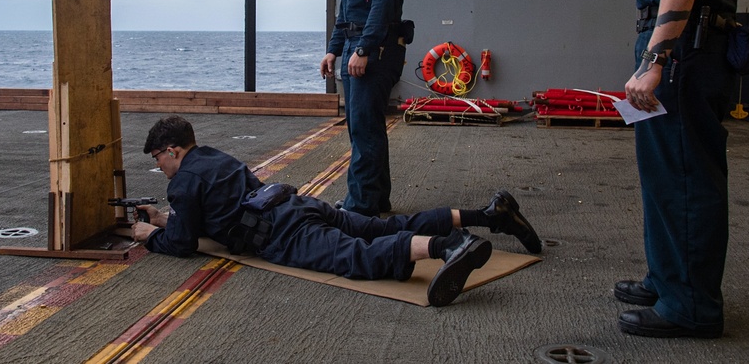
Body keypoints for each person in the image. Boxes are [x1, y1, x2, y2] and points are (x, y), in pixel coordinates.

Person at [133, 115, 543, 307]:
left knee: (356, 256)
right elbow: (207, 212)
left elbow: (183, 243)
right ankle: (489, 215)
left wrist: (151, 236)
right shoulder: (211, 156)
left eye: (159, 159)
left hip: (280, 234)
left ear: (173, 151)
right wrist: (164, 217)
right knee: (387, 226)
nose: (160, 168)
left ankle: (448, 246)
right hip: (301, 206)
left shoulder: (183, 181)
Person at [600, 0, 739, 339]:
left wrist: (656, 58)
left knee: (683, 176)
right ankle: (668, 278)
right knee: (665, 174)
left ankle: (691, 307)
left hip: (682, 52)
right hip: (681, 47)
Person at [319, 0, 408, 217]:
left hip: (376, 52)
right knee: (362, 126)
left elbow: (381, 10)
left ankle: (360, 204)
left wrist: (362, 50)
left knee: (365, 128)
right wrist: (333, 49)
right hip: (358, 49)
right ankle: (374, 199)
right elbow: (347, 14)